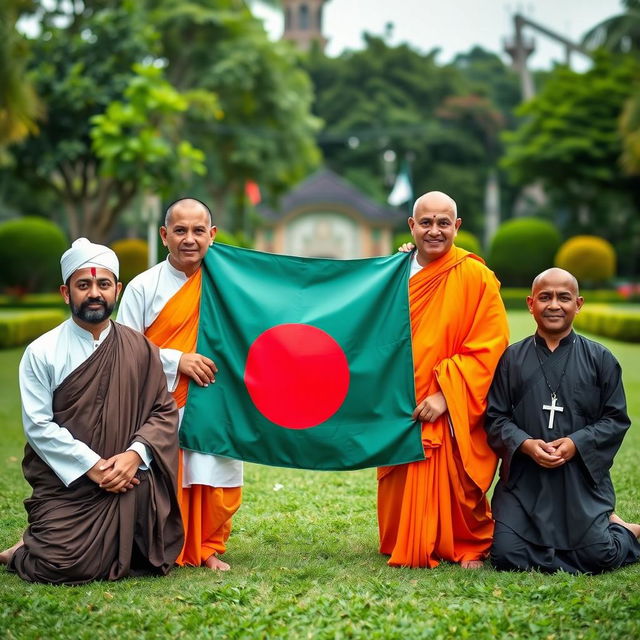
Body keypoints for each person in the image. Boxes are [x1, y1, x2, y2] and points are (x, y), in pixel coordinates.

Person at [0, 239, 183, 585]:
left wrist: (134, 455)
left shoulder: (140, 348)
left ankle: (51, 539)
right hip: (69, 484)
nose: (94, 293)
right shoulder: (42, 351)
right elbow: (39, 427)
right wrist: (94, 467)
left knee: (151, 555)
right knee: (60, 565)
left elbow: (163, 412)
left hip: (129, 478)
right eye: (83, 285)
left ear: (118, 289)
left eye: (103, 284)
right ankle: (24, 550)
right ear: (66, 293)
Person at [378, 191, 509, 568]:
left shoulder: (476, 276)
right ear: (411, 226)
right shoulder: (393, 272)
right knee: (400, 477)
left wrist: (444, 395)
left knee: (455, 479)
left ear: (457, 226)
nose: (434, 231)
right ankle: (405, 535)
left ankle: (464, 541)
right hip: (399, 399)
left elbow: (490, 347)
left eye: (443, 223)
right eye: (426, 222)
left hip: (449, 402)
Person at [485, 267, 640, 574]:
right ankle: (574, 540)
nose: (554, 304)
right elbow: (495, 418)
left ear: (578, 304)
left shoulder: (601, 359)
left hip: (579, 482)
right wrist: (526, 444)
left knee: (600, 557)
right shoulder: (511, 359)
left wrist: (576, 443)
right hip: (525, 483)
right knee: (505, 557)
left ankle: (626, 530)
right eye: (545, 297)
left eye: (563, 297)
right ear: (531, 304)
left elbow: (615, 419)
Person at [116, 198, 242, 571]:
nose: (190, 239)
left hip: (216, 397)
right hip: (161, 402)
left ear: (212, 235)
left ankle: (206, 547)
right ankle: (165, 543)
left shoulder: (228, 282)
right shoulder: (143, 286)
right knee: (168, 477)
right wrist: (177, 360)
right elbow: (124, 348)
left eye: (198, 230)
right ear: (164, 234)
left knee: (212, 472)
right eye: (181, 230)